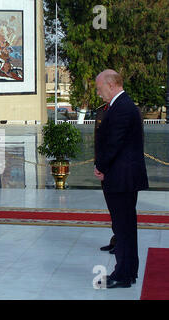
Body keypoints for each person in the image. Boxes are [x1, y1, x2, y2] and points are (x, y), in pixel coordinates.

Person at [94, 69, 148, 289]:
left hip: (120, 178)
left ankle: (123, 274)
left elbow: (113, 143)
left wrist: (101, 167)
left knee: (123, 227)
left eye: (99, 88)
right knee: (125, 227)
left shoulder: (122, 108)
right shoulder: (122, 105)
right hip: (122, 177)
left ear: (111, 84)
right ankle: (128, 271)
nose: (99, 93)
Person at [94, 103, 116, 254]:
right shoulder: (101, 111)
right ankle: (116, 239)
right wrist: (98, 163)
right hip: (103, 166)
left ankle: (121, 242)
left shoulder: (128, 109)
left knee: (121, 209)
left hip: (117, 168)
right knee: (112, 207)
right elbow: (98, 140)